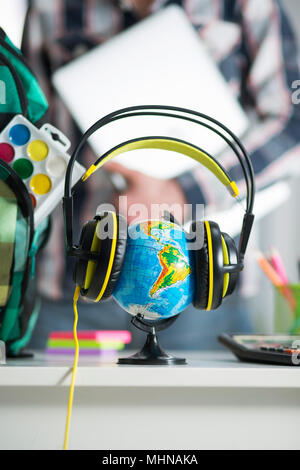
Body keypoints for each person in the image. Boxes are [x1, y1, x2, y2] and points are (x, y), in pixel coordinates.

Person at [22, 0, 300, 350]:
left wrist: (183, 192)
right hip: (77, 283)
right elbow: (31, 122)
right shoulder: (49, 5)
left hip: (199, 287)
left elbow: (292, 125)